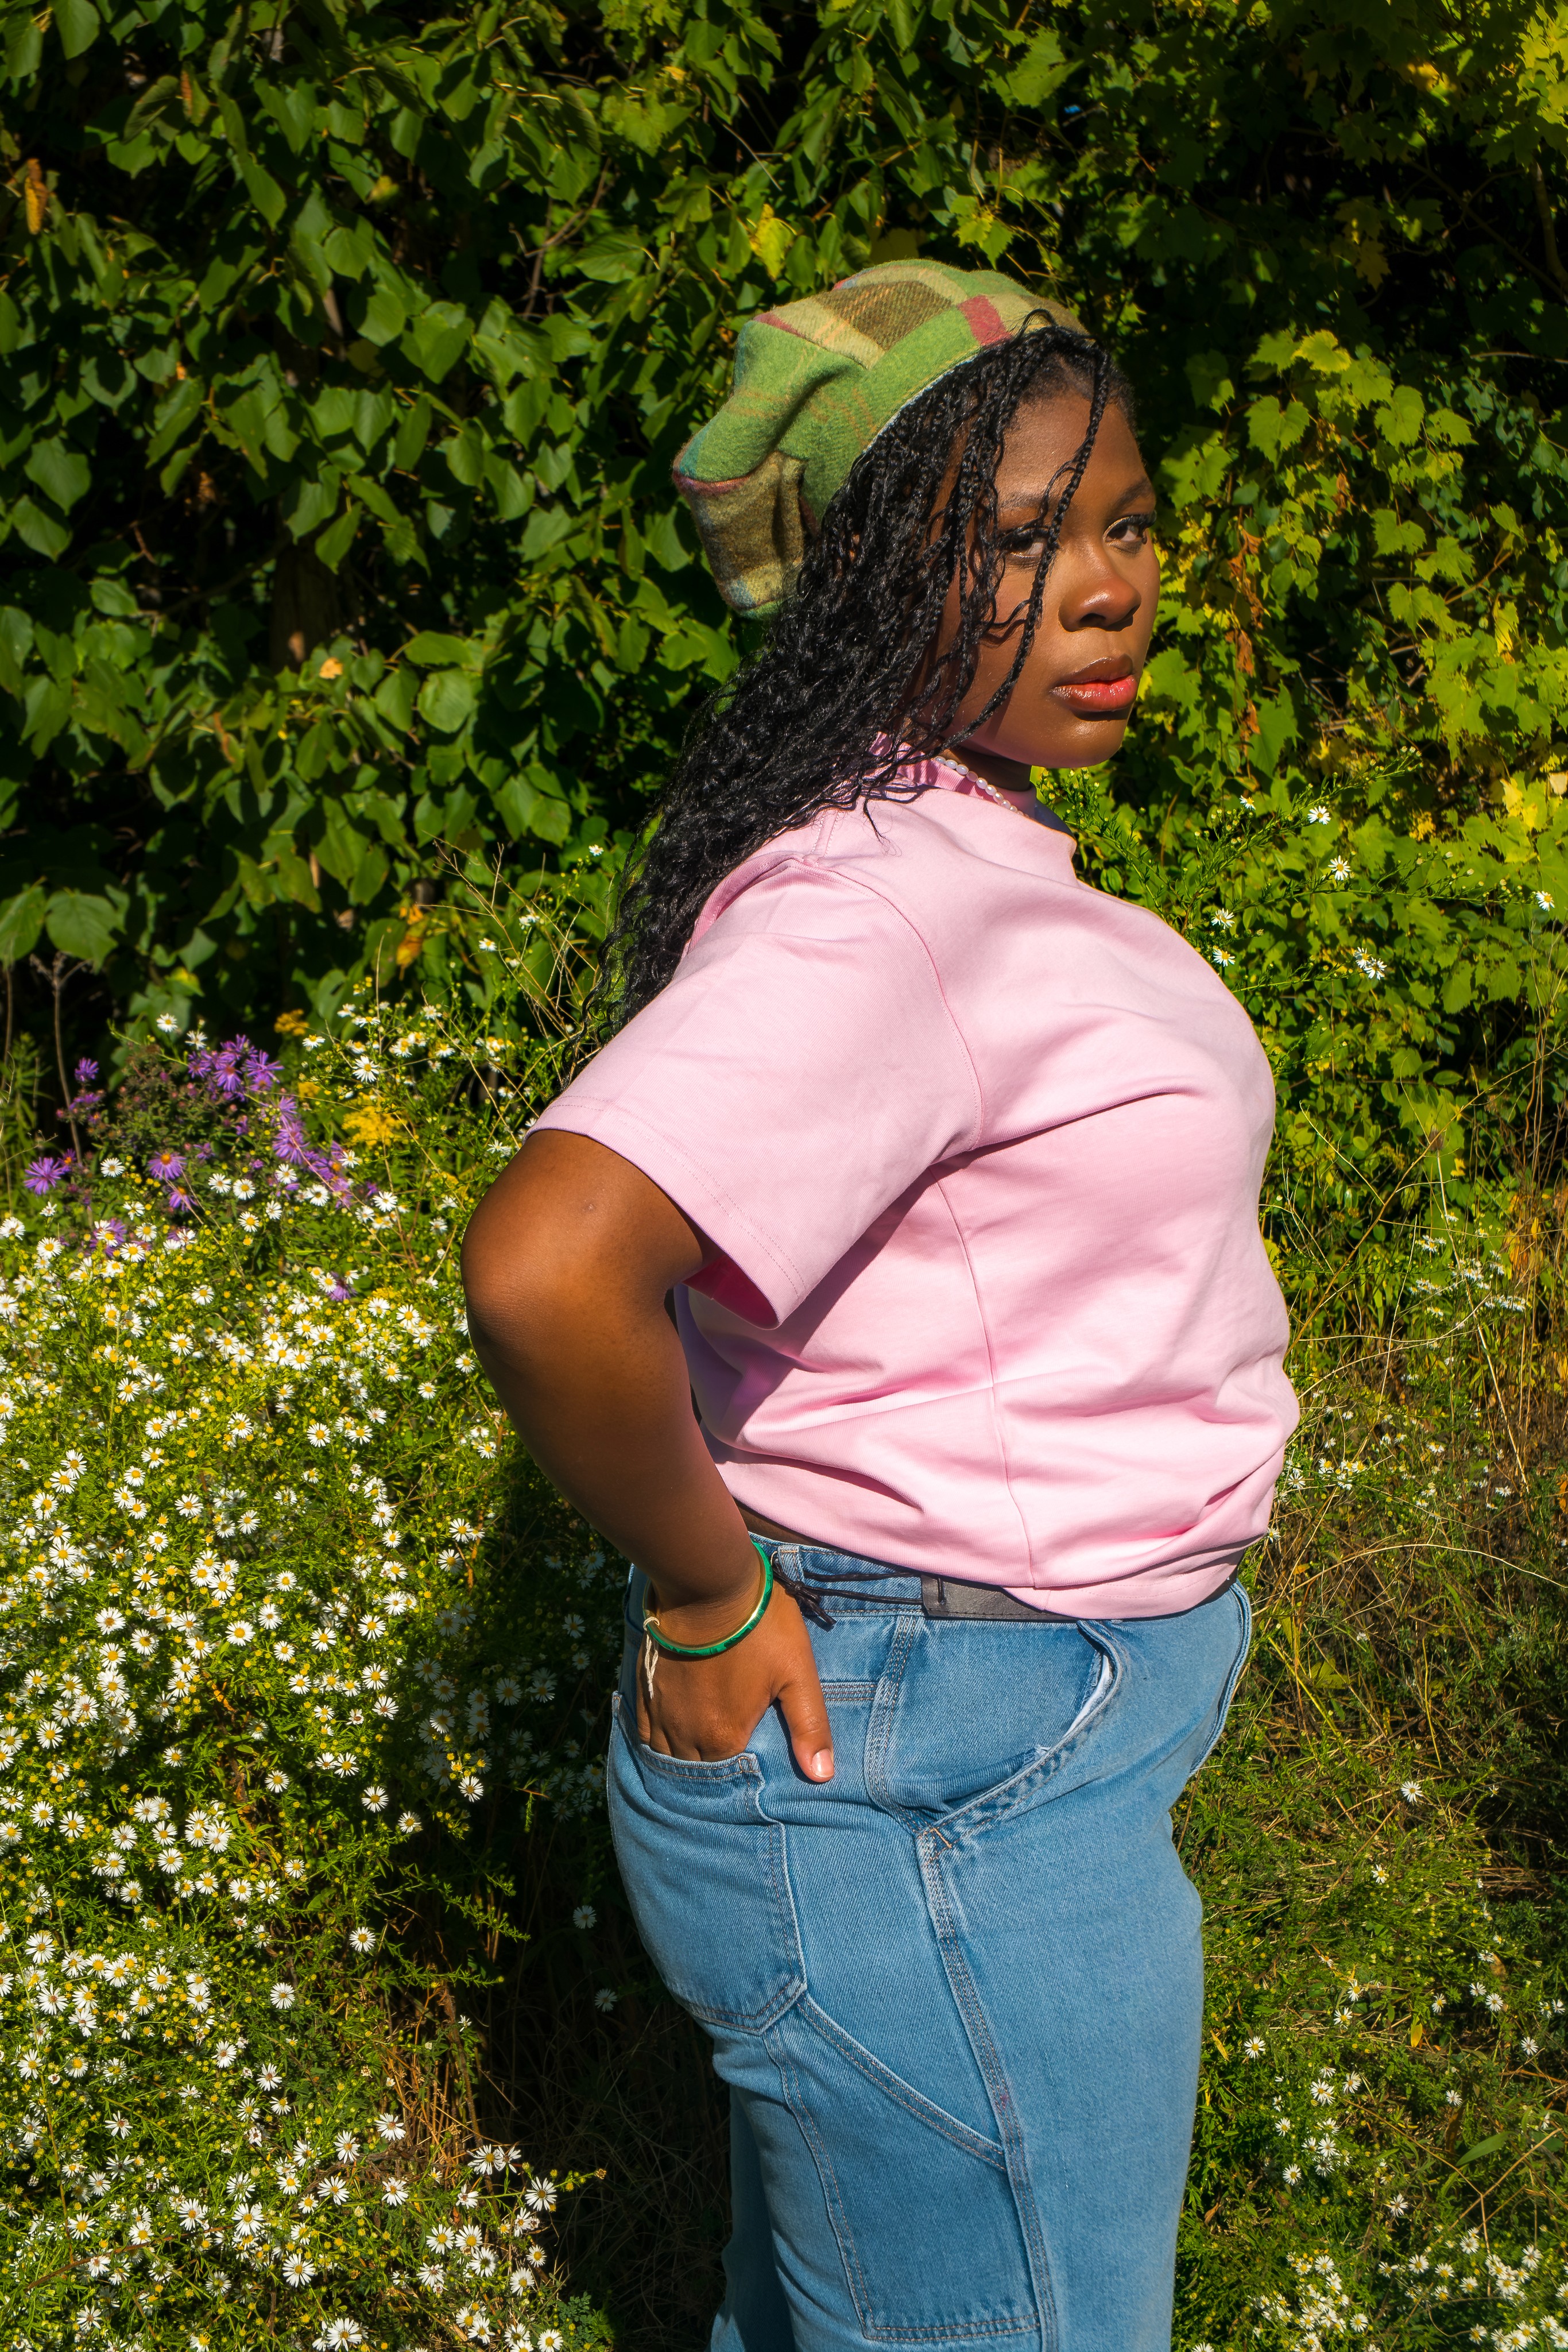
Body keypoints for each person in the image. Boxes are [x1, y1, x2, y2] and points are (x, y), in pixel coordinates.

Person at [462, 258, 1298, 2352]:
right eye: (1014, 544)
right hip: (930, 1777)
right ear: (857, 587)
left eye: (1123, 522)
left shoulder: (964, 854)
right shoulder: (875, 907)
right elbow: (549, 1266)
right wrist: (705, 1597)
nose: (1104, 589)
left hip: (989, 1760)